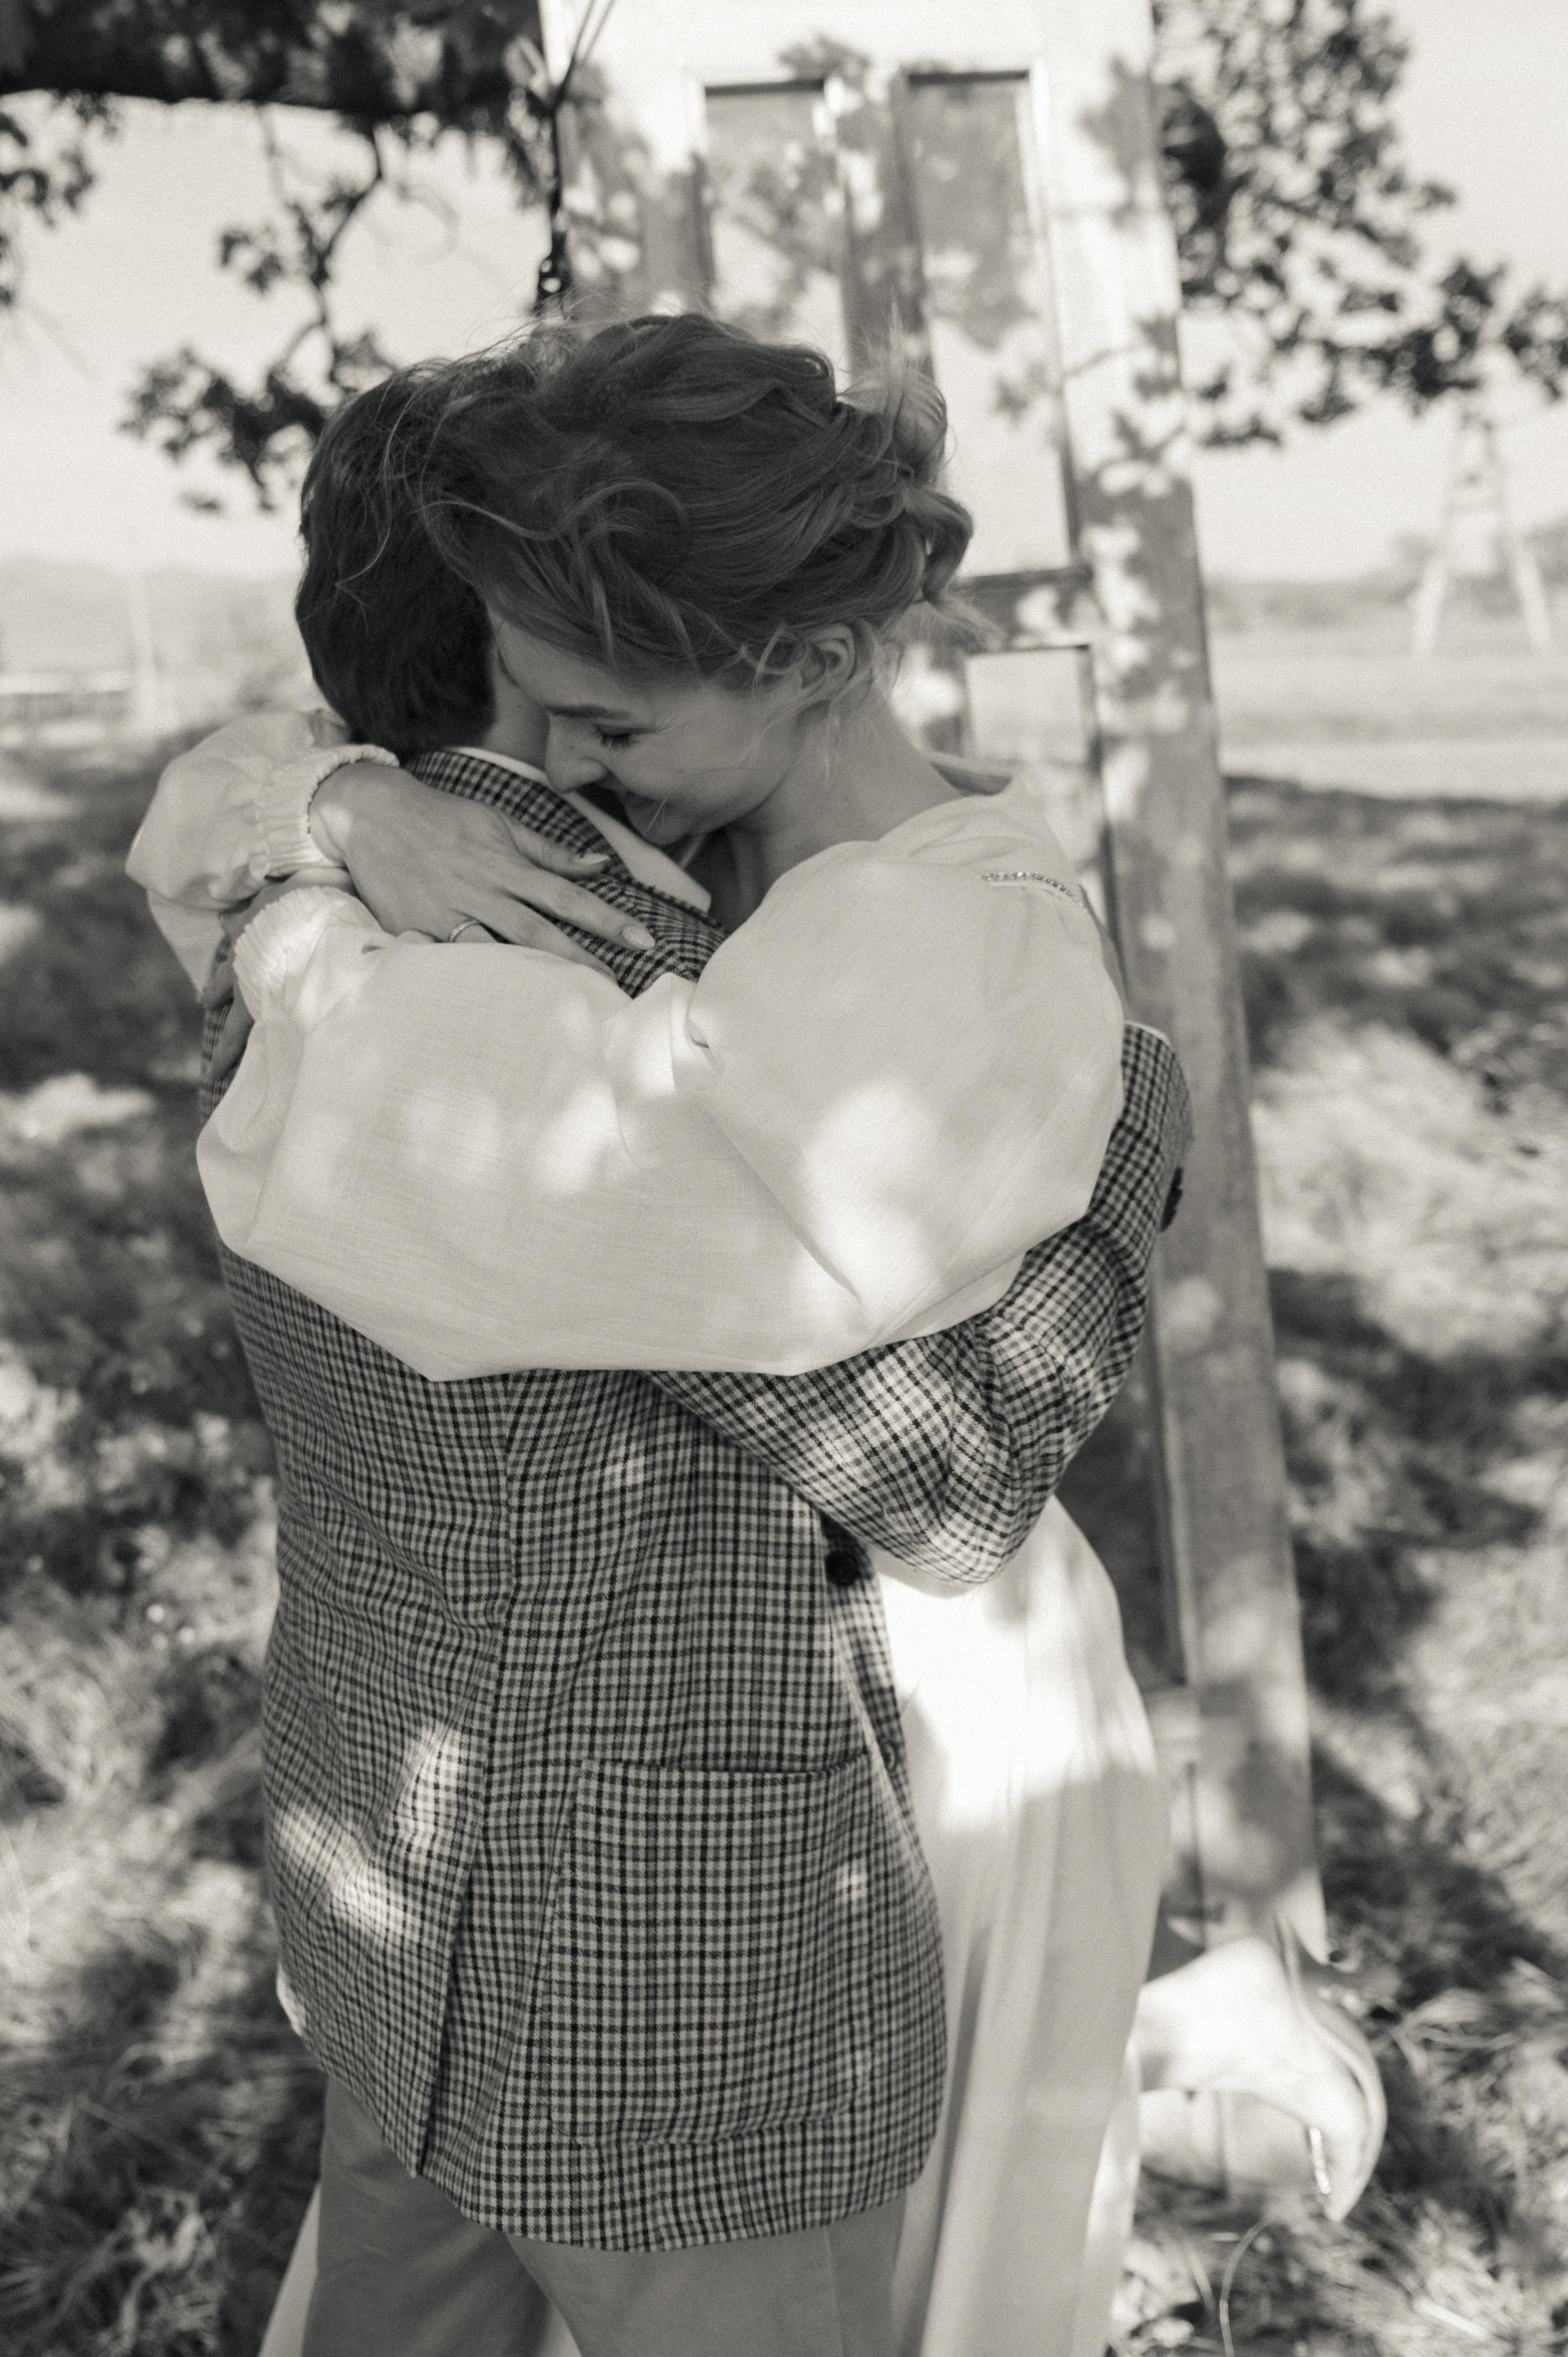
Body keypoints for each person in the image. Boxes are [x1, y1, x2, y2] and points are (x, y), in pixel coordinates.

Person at [132, 329, 1194, 2357]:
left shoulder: (314, 906)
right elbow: (953, 1473)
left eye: (600, 708)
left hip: (395, 1889)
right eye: (548, 699)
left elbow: (222, 831)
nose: (568, 761)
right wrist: (1143, 1127)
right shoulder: (609, 981)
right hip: (680, 1977)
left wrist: (335, 811)